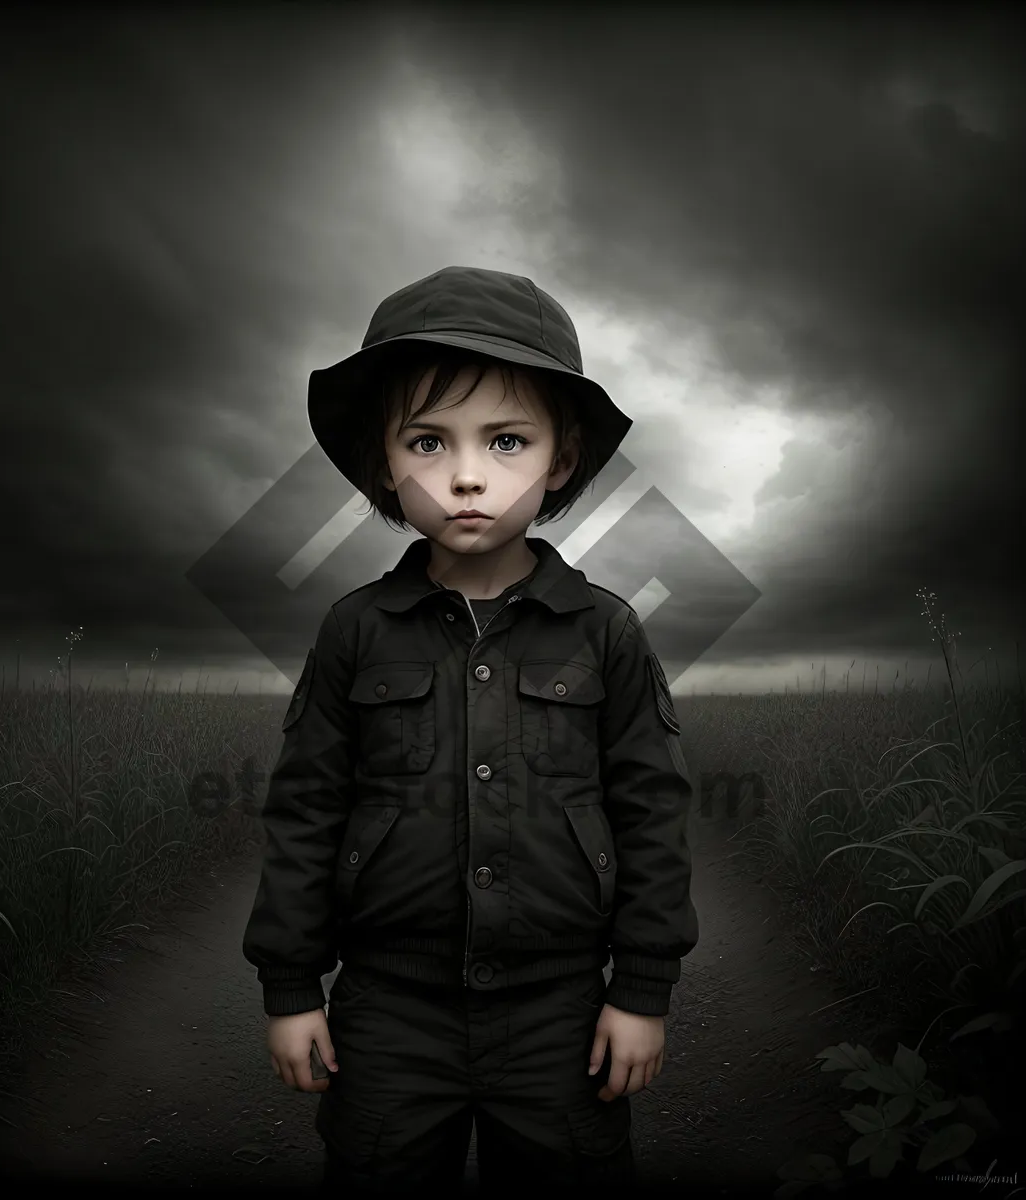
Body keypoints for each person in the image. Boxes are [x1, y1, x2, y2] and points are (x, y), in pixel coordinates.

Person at [242, 265, 699, 1190]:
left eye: (505, 440)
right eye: (426, 440)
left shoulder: (604, 627)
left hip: (560, 1009)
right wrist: (291, 988)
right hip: (389, 1007)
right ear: (384, 462)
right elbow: (307, 809)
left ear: (559, 461)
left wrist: (640, 990)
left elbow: (650, 806)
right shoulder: (356, 629)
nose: (463, 475)